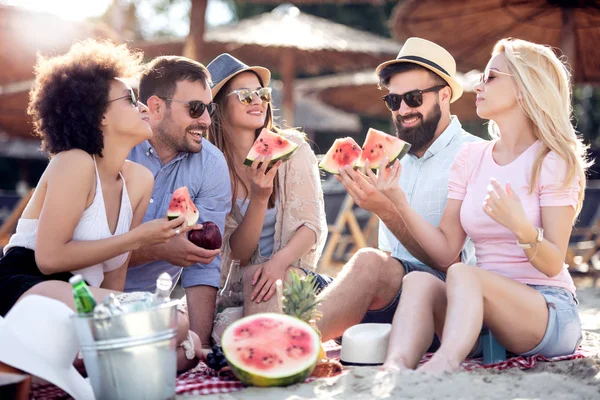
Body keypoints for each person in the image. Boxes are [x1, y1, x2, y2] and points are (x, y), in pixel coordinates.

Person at [378, 38, 589, 373]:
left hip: (545, 310)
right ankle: (396, 369)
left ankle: (443, 365)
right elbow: (446, 248)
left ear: (524, 87)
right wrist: (397, 202)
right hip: (477, 309)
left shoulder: (553, 161)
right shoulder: (471, 157)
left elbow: (551, 264)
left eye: (491, 78)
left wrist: (521, 227)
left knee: (464, 273)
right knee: (418, 281)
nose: (478, 86)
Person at [0, 40, 201, 370]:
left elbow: (113, 285)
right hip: (30, 289)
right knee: (172, 327)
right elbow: (49, 259)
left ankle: (74, 362)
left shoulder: (139, 181)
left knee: (180, 336)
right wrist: (139, 238)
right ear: (99, 116)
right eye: (130, 99)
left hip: (82, 300)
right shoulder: (74, 162)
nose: (143, 107)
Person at [316, 38, 481, 343]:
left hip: (444, 306)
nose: (402, 110)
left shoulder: (477, 154)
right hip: (392, 298)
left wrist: (386, 211)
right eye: (394, 101)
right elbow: (392, 256)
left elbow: (448, 262)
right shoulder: (394, 158)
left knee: (368, 262)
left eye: (414, 98)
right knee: (284, 277)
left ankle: (287, 346)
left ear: (444, 95)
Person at [205, 54, 328, 341]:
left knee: (237, 334)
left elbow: (310, 227)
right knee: (226, 329)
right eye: (245, 96)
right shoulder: (212, 168)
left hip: (295, 278)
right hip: (241, 291)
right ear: (219, 107)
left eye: (262, 93)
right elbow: (240, 253)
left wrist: (278, 263)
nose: (258, 101)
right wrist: (260, 198)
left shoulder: (293, 148)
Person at [125, 56, 232, 350]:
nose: (207, 120)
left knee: (184, 354)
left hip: (151, 311)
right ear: (157, 107)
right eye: (195, 108)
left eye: (209, 108)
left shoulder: (211, 164)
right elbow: (87, 250)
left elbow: (203, 263)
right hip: (84, 292)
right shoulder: (116, 149)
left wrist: (198, 345)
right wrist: (156, 249)